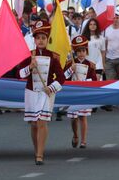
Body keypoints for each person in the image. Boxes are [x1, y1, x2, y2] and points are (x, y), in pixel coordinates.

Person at [17, 21, 65, 165]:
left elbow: (62, 78)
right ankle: (36, 148)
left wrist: (51, 88)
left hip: (46, 93)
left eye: (43, 38)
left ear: (47, 39)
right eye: (38, 38)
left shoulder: (53, 56)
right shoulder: (29, 56)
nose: (41, 40)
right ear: (35, 40)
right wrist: (30, 68)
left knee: (42, 122)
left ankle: (40, 154)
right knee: (33, 124)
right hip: (31, 92)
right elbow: (20, 74)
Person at [64, 35, 97, 149]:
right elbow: (63, 78)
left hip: (84, 92)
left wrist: (85, 81)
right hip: (73, 93)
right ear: (75, 52)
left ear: (86, 51)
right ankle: (75, 135)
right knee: (73, 118)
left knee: (83, 117)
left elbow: (94, 79)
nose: (81, 53)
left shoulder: (90, 65)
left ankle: (83, 140)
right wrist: (70, 70)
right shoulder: (70, 63)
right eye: (78, 51)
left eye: (83, 50)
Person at [104, 10, 119, 110]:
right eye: (114, 17)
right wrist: (104, 58)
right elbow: (105, 45)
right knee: (110, 81)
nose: (116, 19)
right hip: (109, 59)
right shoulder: (107, 30)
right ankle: (109, 103)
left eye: (118, 17)